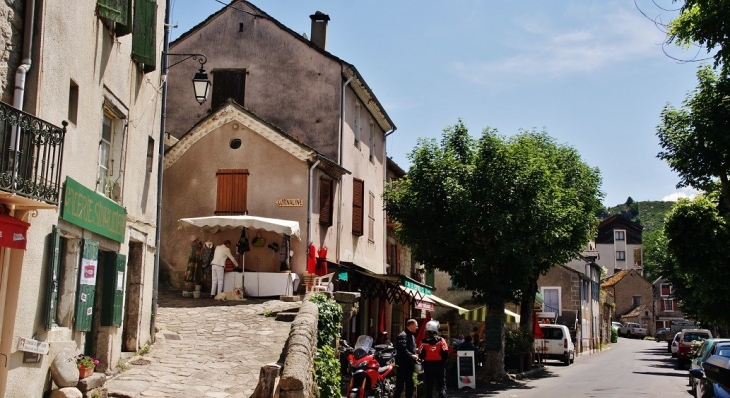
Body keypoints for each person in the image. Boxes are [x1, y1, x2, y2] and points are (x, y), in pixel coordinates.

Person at [419, 320, 449, 398]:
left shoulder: (423, 341)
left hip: (428, 365)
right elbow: (445, 352)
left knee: (429, 385)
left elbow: (421, 354)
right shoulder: (441, 340)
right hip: (439, 364)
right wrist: (444, 360)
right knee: (441, 385)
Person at [394, 319, 419, 398]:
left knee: (410, 385)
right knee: (400, 385)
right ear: (411, 326)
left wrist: (416, 351)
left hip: (409, 365)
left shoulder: (411, 336)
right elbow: (402, 350)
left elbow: (411, 347)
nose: (417, 328)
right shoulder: (402, 336)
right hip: (402, 365)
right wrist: (412, 355)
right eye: (416, 326)